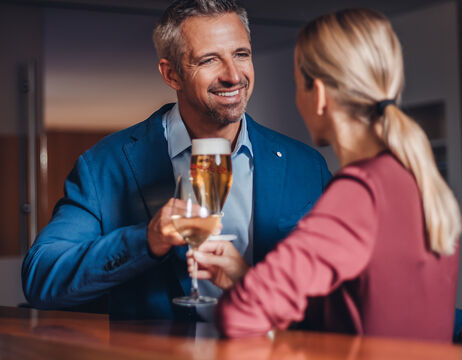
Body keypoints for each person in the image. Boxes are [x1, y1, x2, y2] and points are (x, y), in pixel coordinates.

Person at [21, 0, 331, 321]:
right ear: (172, 74)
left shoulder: (305, 166)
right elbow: (41, 277)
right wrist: (147, 239)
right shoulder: (105, 165)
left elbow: (337, 290)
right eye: (209, 59)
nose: (233, 75)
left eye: (241, 54)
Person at [188, 8, 461, 340]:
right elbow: (361, 312)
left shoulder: (360, 191)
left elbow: (240, 316)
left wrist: (249, 292)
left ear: (317, 95)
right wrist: (245, 276)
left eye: (296, 85)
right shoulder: (415, 179)